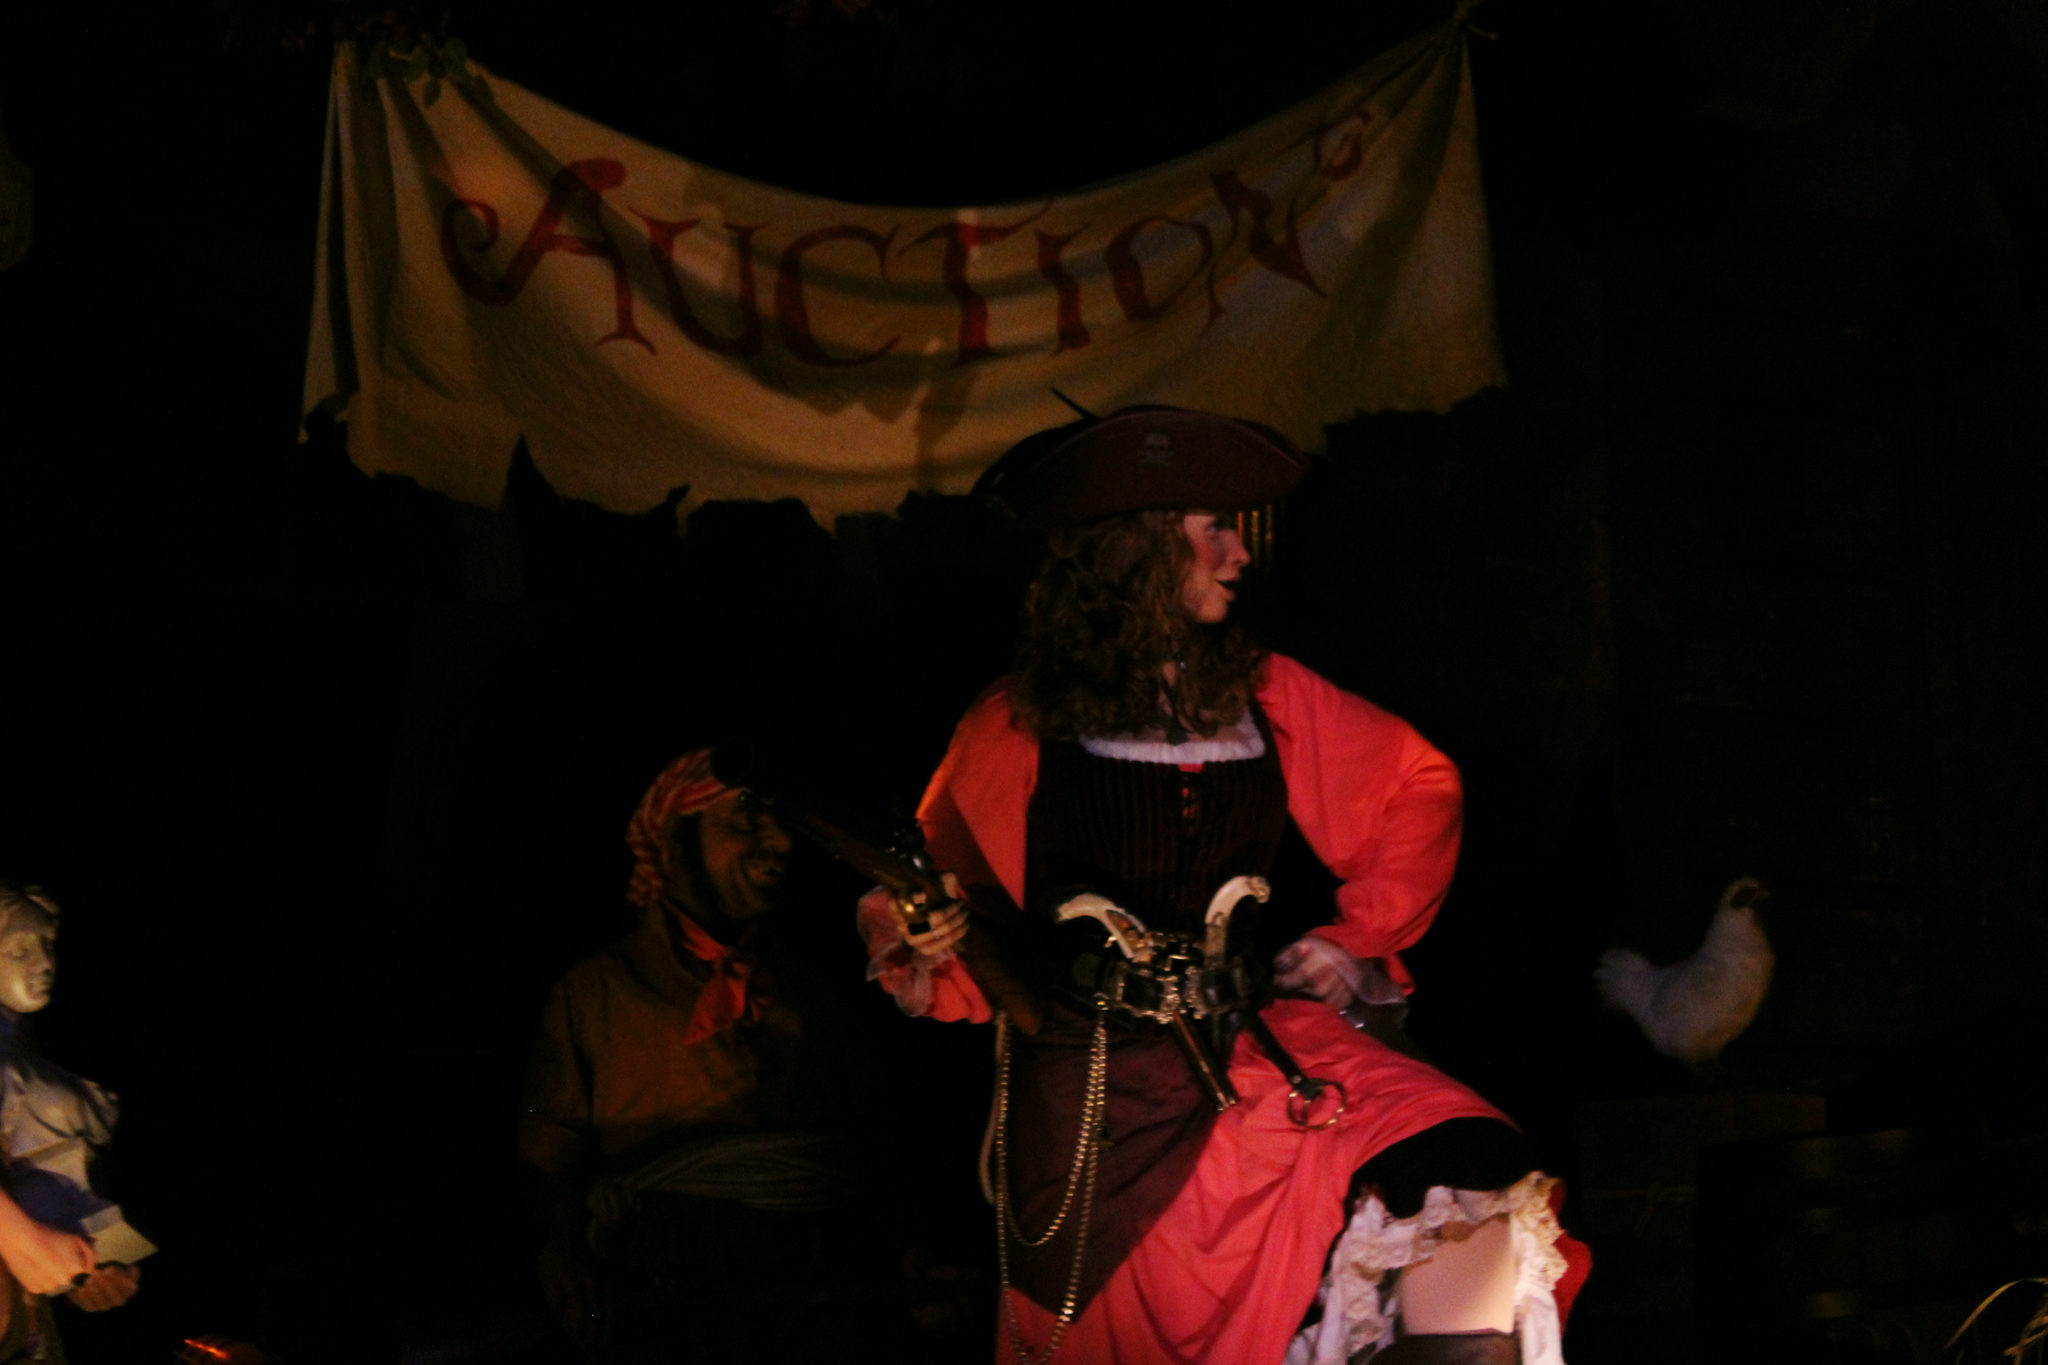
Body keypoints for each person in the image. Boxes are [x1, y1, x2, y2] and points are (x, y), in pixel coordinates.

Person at [857, 407, 1590, 1365]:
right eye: (1209, 530)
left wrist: (1351, 934)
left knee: (1470, 1190)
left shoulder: (1263, 691)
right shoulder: (1019, 721)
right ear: (1138, 547)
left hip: (1257, 1057)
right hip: (1099, 1103)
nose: (1235, 556)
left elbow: (1416, 785)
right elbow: (937, 888)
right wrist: (927, 936)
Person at [518, 750, 879, 1364]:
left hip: (819, 1301)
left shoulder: (815, 993)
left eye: (783, 819)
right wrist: (566, 1256)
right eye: (747, 815)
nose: (782, 841)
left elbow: (874, 1143)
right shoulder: (596, 994)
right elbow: (550, 1154)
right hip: (668, 1302)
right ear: (675, 837)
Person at [0, 881, 147, 1363]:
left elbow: (50, 1174)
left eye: (45, 946)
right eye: (17, 949)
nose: (42, 963)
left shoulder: (30, 1065)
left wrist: (94, 1260)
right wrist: (19, 1237)